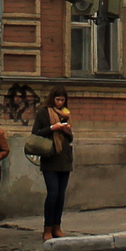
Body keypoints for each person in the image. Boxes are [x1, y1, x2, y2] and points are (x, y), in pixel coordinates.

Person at [31, 88, 75, 241]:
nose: (60, 103)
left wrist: (67, 132)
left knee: (61, 195)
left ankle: (57, 226)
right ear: (52, 99)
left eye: (62, 100)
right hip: (50, 157)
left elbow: (70, 140)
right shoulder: (43, 113)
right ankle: (47, 228)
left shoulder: (65, 114)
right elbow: (35, 133)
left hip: (64, 157)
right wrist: (52, 128)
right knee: (53, 193)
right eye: (58, 100)